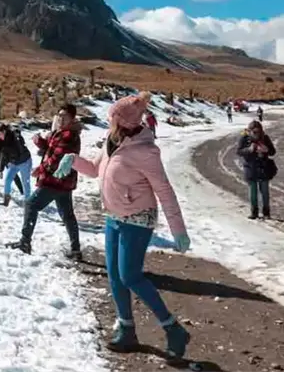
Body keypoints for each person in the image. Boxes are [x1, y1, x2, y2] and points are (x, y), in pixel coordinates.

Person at [66, 91, 191, 359]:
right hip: (113, 216)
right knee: (114, 276)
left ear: (123, 121)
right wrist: (73, 160)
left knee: (130, 276)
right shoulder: (112, 141)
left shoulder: (146, 151)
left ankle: (173, 329)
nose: (108, 121)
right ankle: (127, 331)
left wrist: (178, 230)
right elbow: (94, 170)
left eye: (112, 117)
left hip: (138, 218)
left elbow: (164, 191)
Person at [7, 104, 83, 259]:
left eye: (64, 116)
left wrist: (40, 169)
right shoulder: (61, 132)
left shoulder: (69, 135)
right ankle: (76, 250)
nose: (61, 119)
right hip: (64, 181)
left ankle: (25, 242)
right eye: (59, 115)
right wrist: (40, 142)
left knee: (31, 205)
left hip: (55, 180)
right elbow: (51, 148)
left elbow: (57, 158)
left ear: (72, 118)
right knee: (67, 215)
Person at [237, 120, 277, 219]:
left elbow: (273, 151)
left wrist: (267, 149)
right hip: (250, 169)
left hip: (263, 168)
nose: (257, 134)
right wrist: (249, 149)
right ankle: (254, 212)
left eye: (259, 131)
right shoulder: (244, 138)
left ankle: (266, 212)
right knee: (253, 192)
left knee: (265, 192)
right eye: (254, 132)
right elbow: (239, 151)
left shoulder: (265, 138)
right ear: (249, 131)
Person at [0, 124, 33, 205]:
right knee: (7, 180)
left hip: (24, 162)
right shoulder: (2, 142)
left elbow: (19, 148)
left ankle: (27, 203)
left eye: (0, 134)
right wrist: (0, 169)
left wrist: (17, 134)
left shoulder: (14, 137)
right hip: (13, 163)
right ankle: (6, 200)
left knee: (25, 182)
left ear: (4, 132)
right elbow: (2, 155)